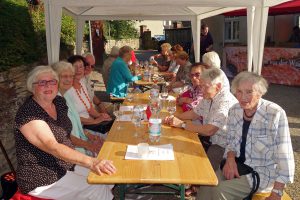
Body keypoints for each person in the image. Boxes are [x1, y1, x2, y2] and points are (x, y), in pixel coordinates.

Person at [14, 65, 116, 199]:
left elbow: (66, 134)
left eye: (52, 82)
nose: (48, 86)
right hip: (41, 175)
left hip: (63, 164)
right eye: (42, 83)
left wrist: (91, 145)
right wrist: (92, 161)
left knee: (106, 178)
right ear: (32, 87)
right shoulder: (28, 113)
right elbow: (53, 146)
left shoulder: (59, 102)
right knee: (94, 187)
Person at [197, 71, 295, 200]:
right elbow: (230, 141)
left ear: (260, 92)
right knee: (207, 184)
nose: (243, 97)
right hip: (237, 165)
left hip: (261, 173)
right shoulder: (234, 110)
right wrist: (230, 159)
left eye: (249, 92)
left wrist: (277, 192)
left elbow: (284, 156)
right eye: (239, 91)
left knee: (220, 190)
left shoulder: (275, 113)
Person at [164, 68, 237, 170]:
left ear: (218, 86)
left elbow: (209, 130)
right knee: (181, 145)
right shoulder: (210, 96)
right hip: (209, 139)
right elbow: (194, 114)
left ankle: (197, 182)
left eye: (204, 87)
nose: (201, 90)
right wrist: (173, 117)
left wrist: (182, 125)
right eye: (201, 86)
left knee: (201, 167)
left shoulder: (225, 102)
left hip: (223, 146)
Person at [52, 61, 103, 156]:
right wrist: (90, 146)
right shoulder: (54, 101)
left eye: (71, 76)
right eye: (64, 76)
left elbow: (74, 124)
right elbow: (64, 136)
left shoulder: (66, 97)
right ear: (55, 78)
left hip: (80, 142)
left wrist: (89, 135)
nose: (68, 80)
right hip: (70, 153)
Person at [66, 55, 114, 134]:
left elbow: (89, 108)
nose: (78, 70)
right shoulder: (67, 90)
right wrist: (95, 121)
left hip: (90, 124)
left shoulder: (82, 83)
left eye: (81, 67)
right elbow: (72, 117)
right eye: (75, 67)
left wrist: (100, 115)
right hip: (79, 128)